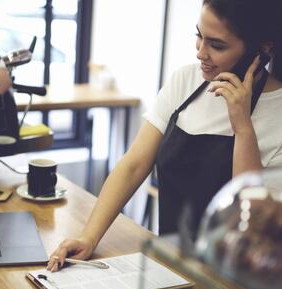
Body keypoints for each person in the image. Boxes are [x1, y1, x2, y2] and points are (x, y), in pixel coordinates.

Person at [47, 0, 282, 272]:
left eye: (217, 45)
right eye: (199, 36)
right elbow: (134, 164)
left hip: (236, 283)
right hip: (171, 267)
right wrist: (88, 237)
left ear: (262, 48)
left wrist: (242, 127)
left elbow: (251, 223)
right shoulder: (185, 81)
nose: (200, 53)